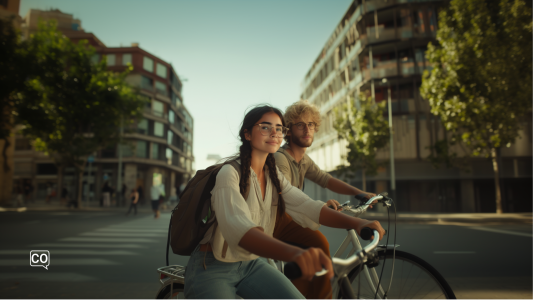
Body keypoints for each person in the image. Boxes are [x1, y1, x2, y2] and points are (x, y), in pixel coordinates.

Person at [183, 105, 385, 299]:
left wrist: (357, 223)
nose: (274, 133)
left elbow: (306, 206)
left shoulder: (273, 175)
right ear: (247, 134)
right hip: (211, 265)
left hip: (250, 263)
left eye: (279, 128)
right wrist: (295, 253)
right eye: (265, 127)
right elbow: (240, 230)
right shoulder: (229, 174)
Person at [273, 100, 378, 298]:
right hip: (278, 220)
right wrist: (322, 206)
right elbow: (287, 198)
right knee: (319, 245)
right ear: (288, 130)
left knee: (307, 269)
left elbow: (326, 180)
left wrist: (360, 193)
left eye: (311, 124)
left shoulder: (303, 159)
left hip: (292, 218)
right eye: (300, 124)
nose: (307, 129)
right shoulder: (281, 158)